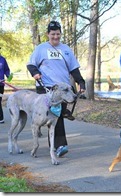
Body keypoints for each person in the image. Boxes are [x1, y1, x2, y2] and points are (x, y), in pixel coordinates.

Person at [27, 21, 86, 157]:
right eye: (53, 34)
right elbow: (31, 65)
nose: (55, 37)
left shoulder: (66, 49)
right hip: (46, 88)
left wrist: (81, 82)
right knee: (52, 116)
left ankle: (57, 146)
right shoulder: (41, 49)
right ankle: (58, 145)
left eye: (58, 34)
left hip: (63, 90)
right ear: (48, 34)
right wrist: (35, 73)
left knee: (57, 117)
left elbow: (74, 68)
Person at [0, 49, 11, 124]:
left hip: (1, 84)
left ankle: (1, 118)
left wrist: (8, 75)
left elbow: (6, 69)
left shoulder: (2, 59)